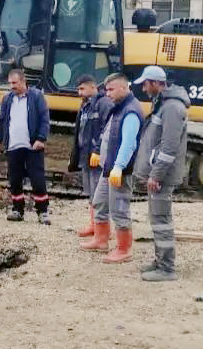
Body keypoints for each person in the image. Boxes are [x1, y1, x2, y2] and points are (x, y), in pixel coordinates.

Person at [132, 65, 190, 281]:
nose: (144, 89)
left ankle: (166, 268)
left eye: (146, 84)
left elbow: (169, 146)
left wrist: (156, 175)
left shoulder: (172, 108)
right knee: (156, 218)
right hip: (158, 174)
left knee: (161, 219)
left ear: (156, 83)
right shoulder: (164, 105)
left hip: (162, 177)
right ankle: (160, 261)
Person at [80, 71, 143, 262]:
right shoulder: (118, 108)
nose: (107, 93)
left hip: (120, 171)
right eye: (106, 90)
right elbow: (108, 134)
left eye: (111, 89)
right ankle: (101, 239)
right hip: (109, 169)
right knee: (99, 201)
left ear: (124, 88)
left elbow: (128, 143)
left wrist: (119, 166)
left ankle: (124, 250)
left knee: (119, 209)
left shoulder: (131, 111)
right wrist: (100, 152)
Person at [0, 68, 51, 224]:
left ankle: (43, 211)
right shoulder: (7, 99)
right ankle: (17, 209)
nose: (12, 86)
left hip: (32, 146)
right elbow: (2, 120)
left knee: (37, 178)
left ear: (23, 81)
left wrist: (41, 138)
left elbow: (44, 119)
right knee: (14, 179)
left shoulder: (37, 97)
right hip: (13, 146)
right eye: (10, 83)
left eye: (15, 83)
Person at [68, 75, 109, 238]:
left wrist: (98, 151)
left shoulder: (103, 104)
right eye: (78, 89)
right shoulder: (85, 105)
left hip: (97, 157)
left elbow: (107, 130)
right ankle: (94, 225)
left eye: (82, 89)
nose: (79, 92)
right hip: (86, 156)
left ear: (93, 87)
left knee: (99, 195)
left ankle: (104, 230)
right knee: (91, 194)